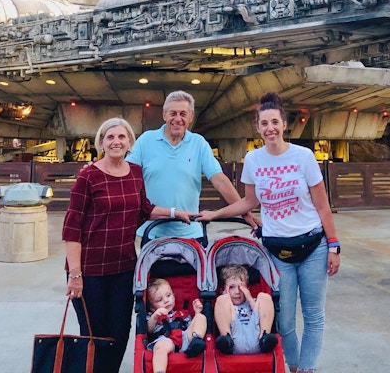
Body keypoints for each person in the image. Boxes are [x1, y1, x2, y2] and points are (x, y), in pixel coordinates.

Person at [199, 92, 340, 373]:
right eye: (264, 123)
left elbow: (323, 206)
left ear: (284, 124)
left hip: (314, 245)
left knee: (313, 316)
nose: (270, 128)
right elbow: (250, 202)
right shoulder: (253, 159)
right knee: (283, 320)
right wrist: (215, 214)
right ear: (258, 127)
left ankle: (307, 369)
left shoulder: (304, 157)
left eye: (274, 122)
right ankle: (294, 364)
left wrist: (334, 245)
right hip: (276, 251)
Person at [62, 117, 193, 373]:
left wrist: (176, 212)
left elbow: (145, 208)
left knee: (121, 332)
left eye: (122, 137)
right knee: (94, 335)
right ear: (101, 143)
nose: (116, 142)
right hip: (90, 272)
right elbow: (72, 228)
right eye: (110, 137)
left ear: (130, 143)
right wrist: (75, 274)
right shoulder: (88, 177)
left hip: (123, 269)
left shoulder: (134, 173)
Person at [127, 90, 254, 240]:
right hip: (150, 231)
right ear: (164, 115)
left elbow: (219, 180)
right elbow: (126, 175)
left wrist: (245, 212)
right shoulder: (146, 140)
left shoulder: (199, 143)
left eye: (183, 114)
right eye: (173, 113)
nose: (177, 119)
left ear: (191, 117)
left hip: (190, 233)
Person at [214, 264, 278, 355]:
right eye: (231, 287)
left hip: (257, 336)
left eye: (241, 287)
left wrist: (249, 298)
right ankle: (226, 340)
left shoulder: (254, 302)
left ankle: (265, 337)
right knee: (221, 300)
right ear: (223, 289)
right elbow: (223, 308)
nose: (237, 292)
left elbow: (259, 314)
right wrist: (226, 296)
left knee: (264, 297)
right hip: (233, 338)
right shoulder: (225, 304)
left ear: (247, 289)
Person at [145, 278, 207, 372]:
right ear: (152, 307)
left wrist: (197, 313)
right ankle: (159, 371)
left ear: (174, 296)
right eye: (159, 300)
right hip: (166, 340)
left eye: (168, 295)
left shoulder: (182, 313)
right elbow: (148, 330)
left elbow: (191, 326)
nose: (166, 301)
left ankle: (196, 342)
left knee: (201, 317)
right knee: (159, 348)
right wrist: (155, 316)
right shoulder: (153, 316)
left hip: (185, 338)